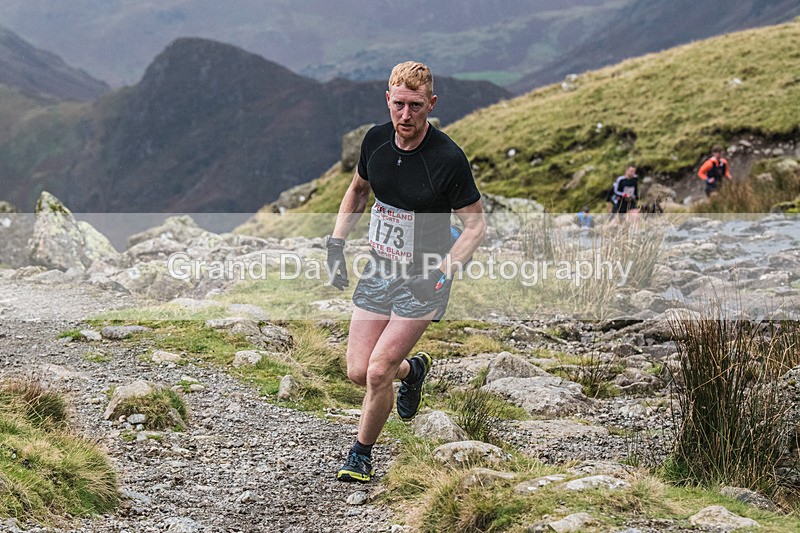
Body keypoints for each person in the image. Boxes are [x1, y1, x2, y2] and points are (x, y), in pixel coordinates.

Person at [325, 61, 486, 483]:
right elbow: (358, 190)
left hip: (424, 276)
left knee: (378, 372)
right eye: (399, 104)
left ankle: (360, 455)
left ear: (430, 104)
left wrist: (443, 273)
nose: (406, 115)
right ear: (388, 101)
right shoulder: (375, 141)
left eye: (416, 106)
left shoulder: (447, 158)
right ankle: (413, 371)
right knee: (359, 371)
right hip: (380, 267)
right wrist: (336, 243)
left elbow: (475, 226)